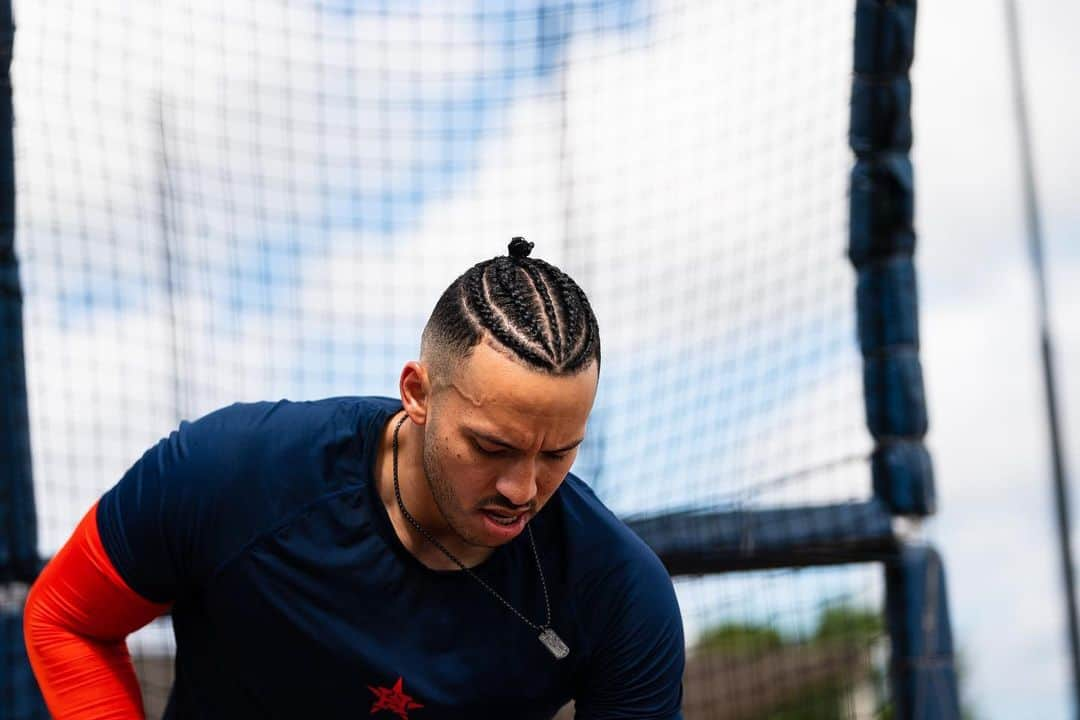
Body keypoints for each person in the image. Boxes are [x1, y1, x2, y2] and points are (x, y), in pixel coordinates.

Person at [23, 238, 685, 719]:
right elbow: (66, 619)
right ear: (417, 393)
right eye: (491, 446)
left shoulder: (620, 593)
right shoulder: (232, 474)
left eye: (556, 454)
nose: (521, 488)